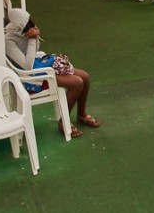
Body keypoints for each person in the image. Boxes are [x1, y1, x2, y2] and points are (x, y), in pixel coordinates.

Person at [5, 8, 99, 138]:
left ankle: (81, 114)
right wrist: (32, 39)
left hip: (39, 66)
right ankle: (63, 122)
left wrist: (35, 38)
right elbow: (27, 66)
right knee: (77, 83)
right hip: (31, 76)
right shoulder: (9, 41)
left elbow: (34, 51)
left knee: (85, 77)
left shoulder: (24, 29)